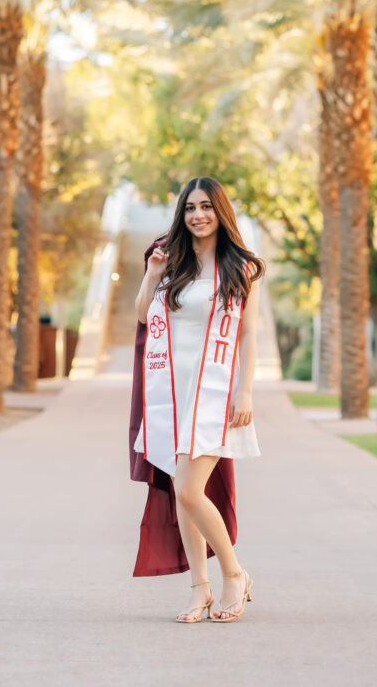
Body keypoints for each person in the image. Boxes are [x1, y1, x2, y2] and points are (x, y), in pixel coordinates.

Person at [131, 176, 265, 623]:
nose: (198, 215)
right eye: (190, 208)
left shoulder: (242, 267)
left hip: (214, 391)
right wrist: (152, 274)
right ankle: (199, 589)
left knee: (189, 491)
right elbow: (142, 315)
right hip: (170, 389)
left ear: (220, 211)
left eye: (206, 206)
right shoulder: (172, 262)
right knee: (182, 494)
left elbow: (248, 332)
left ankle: (234, 575)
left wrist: (245, 390)